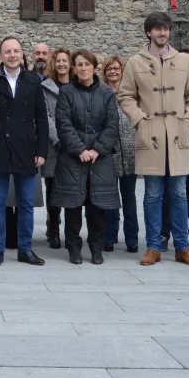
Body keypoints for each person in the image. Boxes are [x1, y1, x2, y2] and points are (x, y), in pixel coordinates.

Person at [116, 11, 189, 268]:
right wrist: (140, 120)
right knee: (152, 194)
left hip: (178, 135)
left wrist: (188, 120)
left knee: (179, 194)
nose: (162, 33)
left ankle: (182, 248)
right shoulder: (135, 63)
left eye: (165, 29)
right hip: (151, 136)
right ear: (148, 32)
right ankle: (153, 247)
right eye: (157, 29)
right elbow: (125, 96)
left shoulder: (184, 62)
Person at [0, 35, 48, 267]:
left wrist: (42, 149)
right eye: (7, 52)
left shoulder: (32, 81)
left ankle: (25, 249)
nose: (12, 55)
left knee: (26, 202)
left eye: (16, 51)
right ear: (1, 55)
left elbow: (41, 118)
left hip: (26, 148)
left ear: (22, 53)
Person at [53, 49, 120, 265]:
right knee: (72, 205)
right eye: (79, 65)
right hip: (73, 158)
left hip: (100, 159)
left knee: (96, 206)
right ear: (74, 67)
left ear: (94, 67)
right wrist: (80, 149)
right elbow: (63, 124)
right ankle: (73, 247)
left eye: (86, 64)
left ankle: (96, 247)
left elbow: (111, 125)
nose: (83, 68)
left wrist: (97, 149)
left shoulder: (107, 93)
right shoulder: (66, 93)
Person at [101, 55, 138, 254]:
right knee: (110, 198)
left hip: (130, 152)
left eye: (116, 68)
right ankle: (109, 235)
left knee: (129, 197)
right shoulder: (102, 93)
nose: (113, 72)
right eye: (109, 69)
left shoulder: (131, 93)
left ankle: (132, 238)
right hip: (109, 153)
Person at [40, 47, 72, 249]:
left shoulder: (78, 86)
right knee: (53, 192)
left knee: (72, 192)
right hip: (55, 147)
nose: (61, 64)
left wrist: (75, 141)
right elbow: (46, 117)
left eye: (65, 60)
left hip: (75, 147)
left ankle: (71, 232)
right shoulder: (45, 87)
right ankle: (53, 230)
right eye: (58, 61)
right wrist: (60, 139)